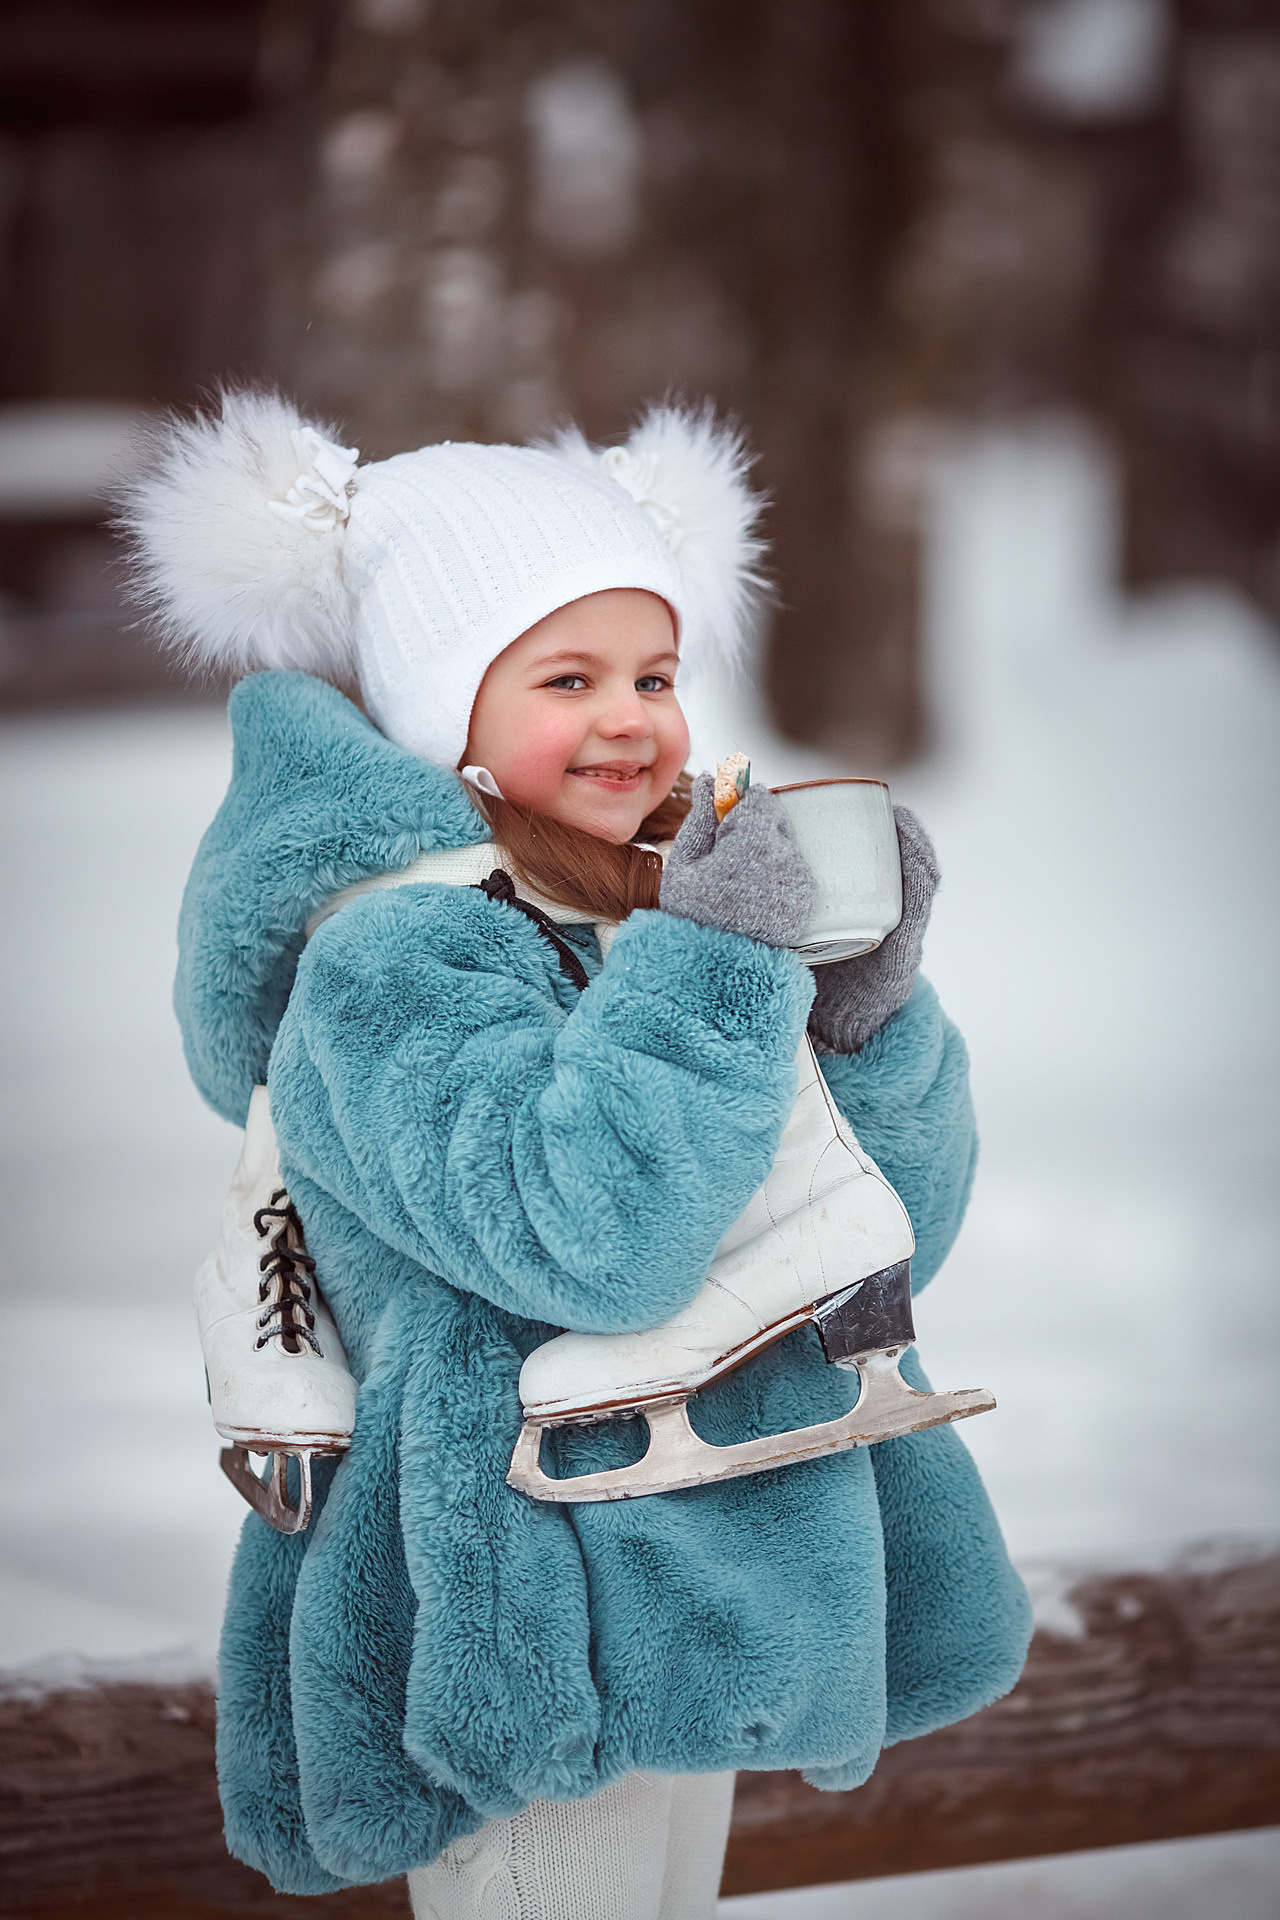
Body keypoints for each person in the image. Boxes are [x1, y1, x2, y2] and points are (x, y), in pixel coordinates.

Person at [123, 391, 1031, 1920]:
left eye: (654, 674)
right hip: (524, 1616)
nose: (633, 717)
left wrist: (858, 1012)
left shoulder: (645, 916)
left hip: (710, 1562)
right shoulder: (390, 964)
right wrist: (716, 967)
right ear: (447, 712)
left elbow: (886, 1240)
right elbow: (587, 1237)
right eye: (569, 677)